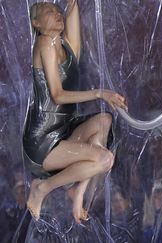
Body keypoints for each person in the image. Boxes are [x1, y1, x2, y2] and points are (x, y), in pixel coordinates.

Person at [23, 1, 127, 224]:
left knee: (104, 121)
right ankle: (42, 188)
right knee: (105, 158)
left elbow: (71, 4)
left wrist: (70, 4)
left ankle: (78, 194)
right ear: (36, 23)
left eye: (57, 10)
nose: (57, 13)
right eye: (49, 12)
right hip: (42, 143)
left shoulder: (68, 47)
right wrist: (100, 93)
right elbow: (58, 95)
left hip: (62, 133)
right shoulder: (44, 42)